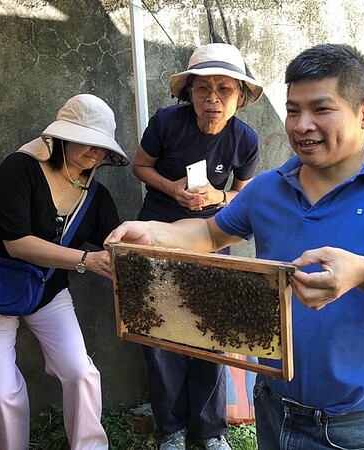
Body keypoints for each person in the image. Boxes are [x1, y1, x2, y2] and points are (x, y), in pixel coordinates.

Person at [105, 43, 364, 450]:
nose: (302, 125)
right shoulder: (269, 186)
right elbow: (210, 234)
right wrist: (152, 234)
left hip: (353, 426)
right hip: (271, 404)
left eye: (321, 110)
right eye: (292, 110)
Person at [0, 94, 129, 450]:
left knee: (80, 372)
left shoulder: (95, 196)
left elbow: (115, 242)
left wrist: (132, 254)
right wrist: (85, 260)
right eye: (88, 142)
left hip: (48, 292)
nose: (95, 154)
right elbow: (17, 243)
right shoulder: (19, 169)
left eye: (102, 148)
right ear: (62, 137)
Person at [132, 42, 263, 450]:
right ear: (188, 92)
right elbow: (140, 165)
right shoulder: (167, 123)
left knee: (212, 335)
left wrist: (216, 200)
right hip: (157, 235)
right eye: (203, 88)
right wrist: (173, 188)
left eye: (225, 89)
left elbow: (243, 197)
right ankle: (171, 429)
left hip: (212, 240)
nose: (213, 99)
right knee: (160, 333)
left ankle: (211, 431)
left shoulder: (246, 140)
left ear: (240, 96)